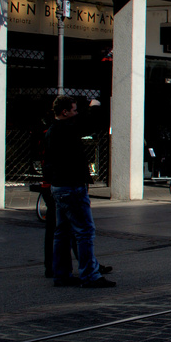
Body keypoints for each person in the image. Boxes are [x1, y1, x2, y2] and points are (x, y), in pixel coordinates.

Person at [43, 95, 115, 288]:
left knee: (62, 232)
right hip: (72, 185)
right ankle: (90, 275)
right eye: (74, 110)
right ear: (65, 112)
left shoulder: (53, 130)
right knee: (84, 230)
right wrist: (95, 107)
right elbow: (89, 124)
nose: (76, 113)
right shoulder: (67, 129)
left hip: (59, 185)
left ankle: (62, 274)